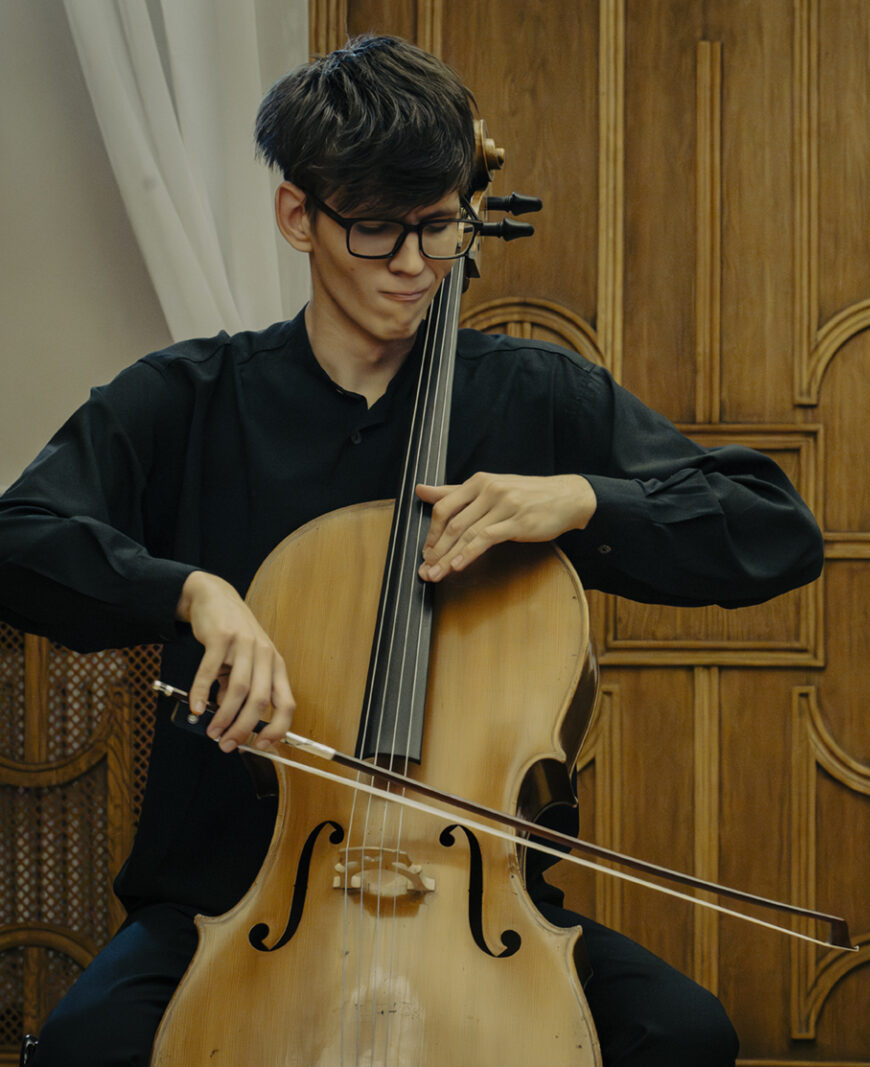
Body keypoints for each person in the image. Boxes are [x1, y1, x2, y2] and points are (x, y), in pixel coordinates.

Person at [0, 35, 822, 1067]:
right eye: (377, 229)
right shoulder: (189, 400)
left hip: (473, 902)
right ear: (297, 215)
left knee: (686, 1035)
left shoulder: (533, 396)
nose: (414, 265)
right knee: (84, 1050)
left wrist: (579, 499)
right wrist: (193, 591)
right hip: (226, 898)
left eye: (438, 228)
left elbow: (775, 528)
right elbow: (17, 537)